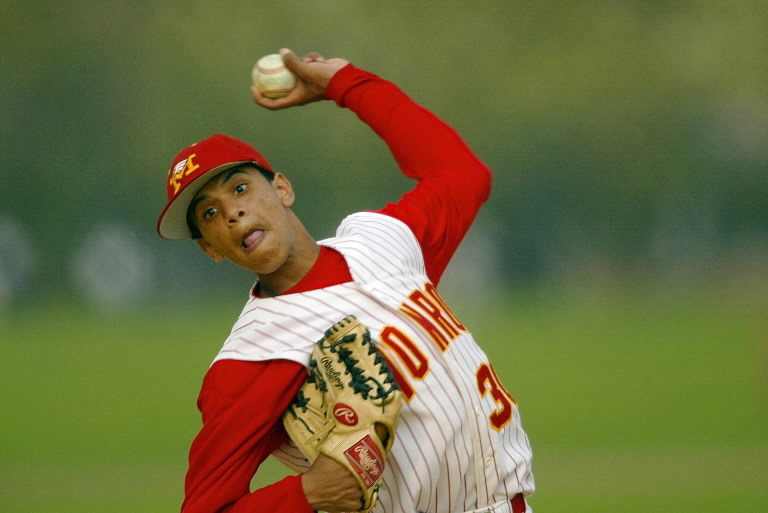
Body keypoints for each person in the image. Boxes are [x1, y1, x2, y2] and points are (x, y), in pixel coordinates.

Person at [156, 48, 535, 513]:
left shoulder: (380, 241)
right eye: (209, 214)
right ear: (210, 247)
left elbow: (461, 174)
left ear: (282, 189)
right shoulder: (251, 358)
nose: (232, 213)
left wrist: (346, 85)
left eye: (239, 188)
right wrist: (303, 495)